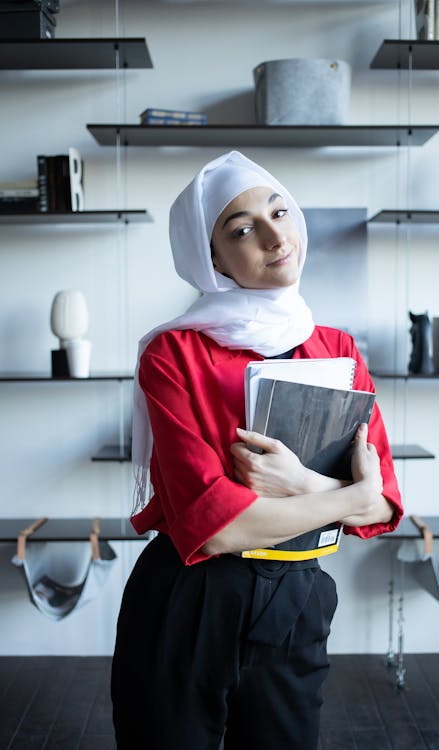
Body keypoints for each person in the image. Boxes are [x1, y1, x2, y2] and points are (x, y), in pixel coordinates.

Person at [111, 150, 403, 750]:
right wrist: (350, 493)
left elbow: (384, 506)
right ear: (210, 257)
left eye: (280, 212)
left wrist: (307, 486)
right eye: (242, 229)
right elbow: (211, 527)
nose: (276, 236)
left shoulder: (335, 347)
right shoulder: (173, 355)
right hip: (189, 600)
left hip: (298, 594)